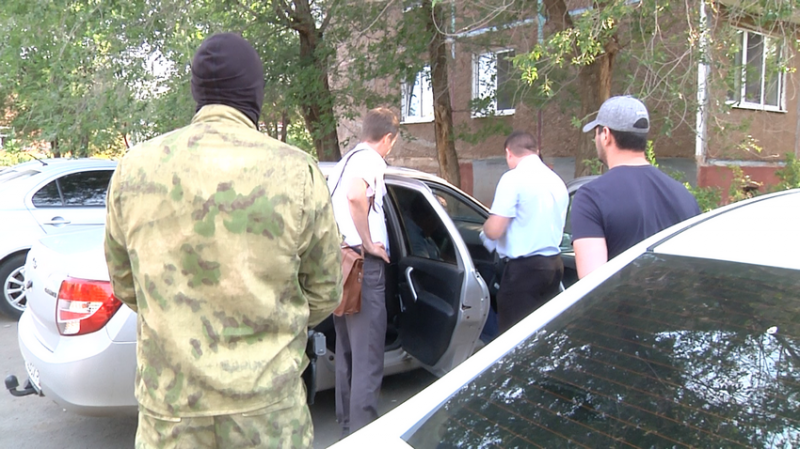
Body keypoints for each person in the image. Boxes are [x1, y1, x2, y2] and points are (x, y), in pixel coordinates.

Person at [104, 33, 342, 449]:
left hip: (171, 412)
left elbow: (125, 282)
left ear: (197, 92)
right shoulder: (296, 172)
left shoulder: (134, 170)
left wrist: (178, 319)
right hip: (267, 412)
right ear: (254, 92)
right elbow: (325, 290)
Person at [572, 95, 701, 278]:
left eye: (596, 133)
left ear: (606, 135)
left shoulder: (590, 197)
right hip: (672, 297)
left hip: (620, 298)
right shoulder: (683, 195)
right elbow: (694, 269)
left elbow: (591, 282)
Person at [327, 107, 398, 437]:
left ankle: (348, 429)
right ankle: (364, 435)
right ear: (387, 138)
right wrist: (369, 242)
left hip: (342, 264)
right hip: (363, 265)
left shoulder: (344, 162)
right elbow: (356, 195)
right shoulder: (371, 160)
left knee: (348, 354)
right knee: (367, 357)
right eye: (392, 142)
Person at [481, 131, 569, 334]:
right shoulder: (556, 180)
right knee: (542, 333)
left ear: (508, 153)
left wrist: (485, 227)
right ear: (536, 151)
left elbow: (494, 230)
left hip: (524, 272)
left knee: (514, 337)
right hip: (554, 267)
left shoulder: (513, 179)